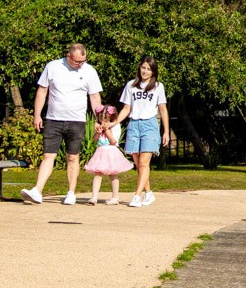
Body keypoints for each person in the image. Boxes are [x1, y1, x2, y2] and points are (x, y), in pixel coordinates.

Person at [22, 42, 102, 205]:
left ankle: (71, 192)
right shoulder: (53, 67)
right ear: (68, 57)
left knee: (73, 157)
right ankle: (37, 190)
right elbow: (42, 91)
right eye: (78, 61)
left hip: (77, 121)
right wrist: (37, 115)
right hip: (53, 119)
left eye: (83, 61)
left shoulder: (89, 71)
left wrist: (99, 120)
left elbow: (94, 97)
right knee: (48, 155)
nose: (81, 64)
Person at [116, 57, 170, 207]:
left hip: (150, 125)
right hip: (134, 124)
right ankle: (149, 193)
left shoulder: (158, 86)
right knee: (139, 163)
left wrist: (166, 131)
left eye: (148, 69)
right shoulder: (131, 86)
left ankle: (137, 196)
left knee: (144, 162)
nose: (145, 71)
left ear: (153, 72)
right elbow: (126, 108)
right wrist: (115, 122)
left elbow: (163, 109)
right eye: (143, 67)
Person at [83, 102, 133, 204]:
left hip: (111, 152)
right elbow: (95, 140)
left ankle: (115, 197)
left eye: (105, 118)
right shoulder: (99, 126)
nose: (102, 121)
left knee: (113, 174)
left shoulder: (115, 126)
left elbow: (114, 141)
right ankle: (94, 197)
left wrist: (107, 131)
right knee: (98, 173)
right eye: (100, 118)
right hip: (101, 153)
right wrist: (98, 132)